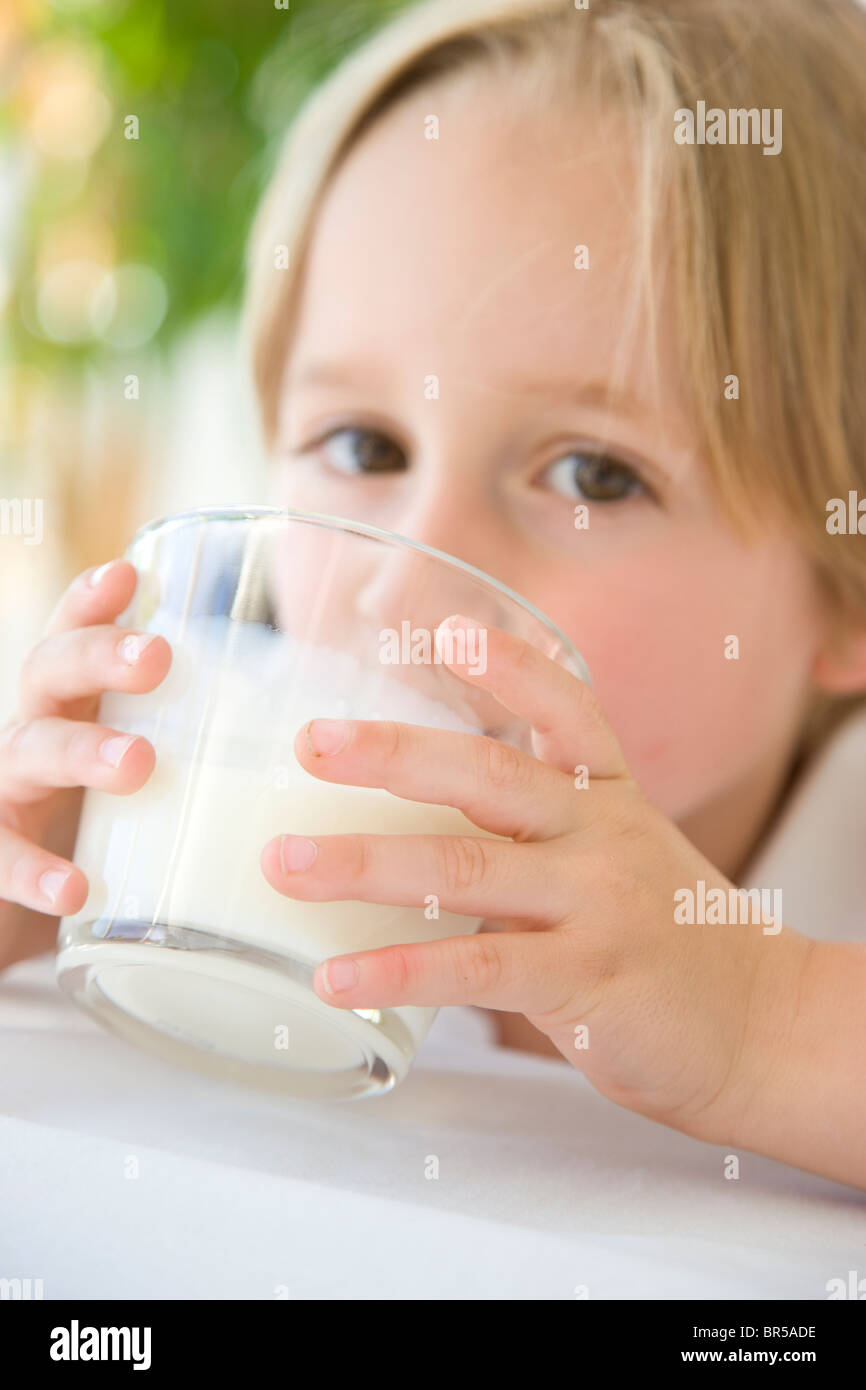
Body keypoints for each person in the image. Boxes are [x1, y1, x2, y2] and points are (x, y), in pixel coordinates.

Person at [1, 0, 865, 1188]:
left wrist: (761, 1018)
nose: (400, 587)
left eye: (592, 475)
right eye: (363, 446)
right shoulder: (196, 785)